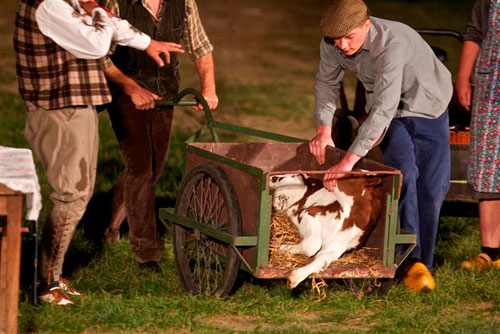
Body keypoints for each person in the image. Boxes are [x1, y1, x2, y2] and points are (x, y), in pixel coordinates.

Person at [14, 0, 184, 305]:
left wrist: (147, 43)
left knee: (78, 193)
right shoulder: (49, 4)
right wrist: (99, 14)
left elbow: (111, 23)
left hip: (75, 106)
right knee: (71, 194)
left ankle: (51, 272)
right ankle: (44, 281)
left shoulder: (69, 1)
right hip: (57, 109)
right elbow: (95, 43)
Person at [309, 0, 453, 292]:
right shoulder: (334, 42)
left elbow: (383, 110)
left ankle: (425, 261)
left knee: (432, 187)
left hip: (428, 104)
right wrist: (324, 130)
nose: (343, 45)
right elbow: (326, 83)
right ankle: (409, 261)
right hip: (390, 113)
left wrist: (347, 161)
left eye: (350, 37)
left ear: (366, 25)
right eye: (337, 39)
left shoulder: (391, 43)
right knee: (404, 175)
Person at [96, 0, 218, 272]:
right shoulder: (117, 3)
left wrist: (208, 88)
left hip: (165, 92)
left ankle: (112, 226)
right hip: (126, 91)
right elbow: (99, 54)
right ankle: (146, 252)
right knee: (140, 168)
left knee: (152, 169)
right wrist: (129, 88)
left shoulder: (184, 3)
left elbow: (201, 48)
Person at [456, 0, 500, 271]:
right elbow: (474, 33)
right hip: (492, 83)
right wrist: (463, 77)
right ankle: (490, 253)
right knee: (489, 164)